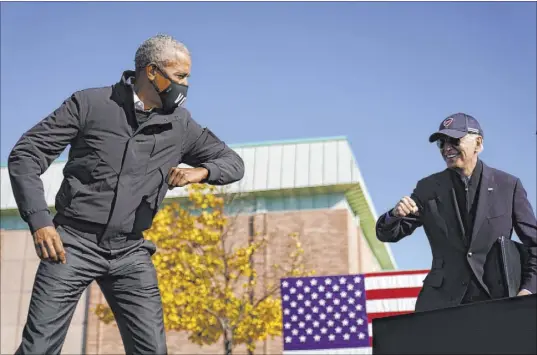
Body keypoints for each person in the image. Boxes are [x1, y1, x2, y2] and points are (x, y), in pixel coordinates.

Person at [8, 34, 244, 354]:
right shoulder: (90, 104)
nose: (186, 85)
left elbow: (232, 163)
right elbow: (26, 154)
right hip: (72, 243)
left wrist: (200, 172)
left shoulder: (180, 125)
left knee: (151, 350)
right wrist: (39, 221)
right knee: (39, 348)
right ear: (151, 72)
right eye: (180, 76)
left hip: (130, 251)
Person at [376, 113, 536, 312]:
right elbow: (387, 234)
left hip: (497, 301)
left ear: (478, 143)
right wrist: (395, 215)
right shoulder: (428, 188)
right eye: (441, 143)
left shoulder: (508, 186)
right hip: (440, 305)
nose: (446, 148)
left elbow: (534, 245)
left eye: (454, 140)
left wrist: (528, 290)